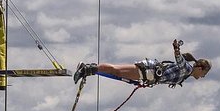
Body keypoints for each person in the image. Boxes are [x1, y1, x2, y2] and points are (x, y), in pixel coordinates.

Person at [74, 39, 212, 87]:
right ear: (199, 68)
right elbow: (180, 60)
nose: (203, 77)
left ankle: (89, 69)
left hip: (148, 74)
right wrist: (176, 49)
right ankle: (87, 68)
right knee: (116, 71)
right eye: (204, 73)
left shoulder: (186, 74)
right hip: (147, 71)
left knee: (117, 72)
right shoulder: (187, 69)